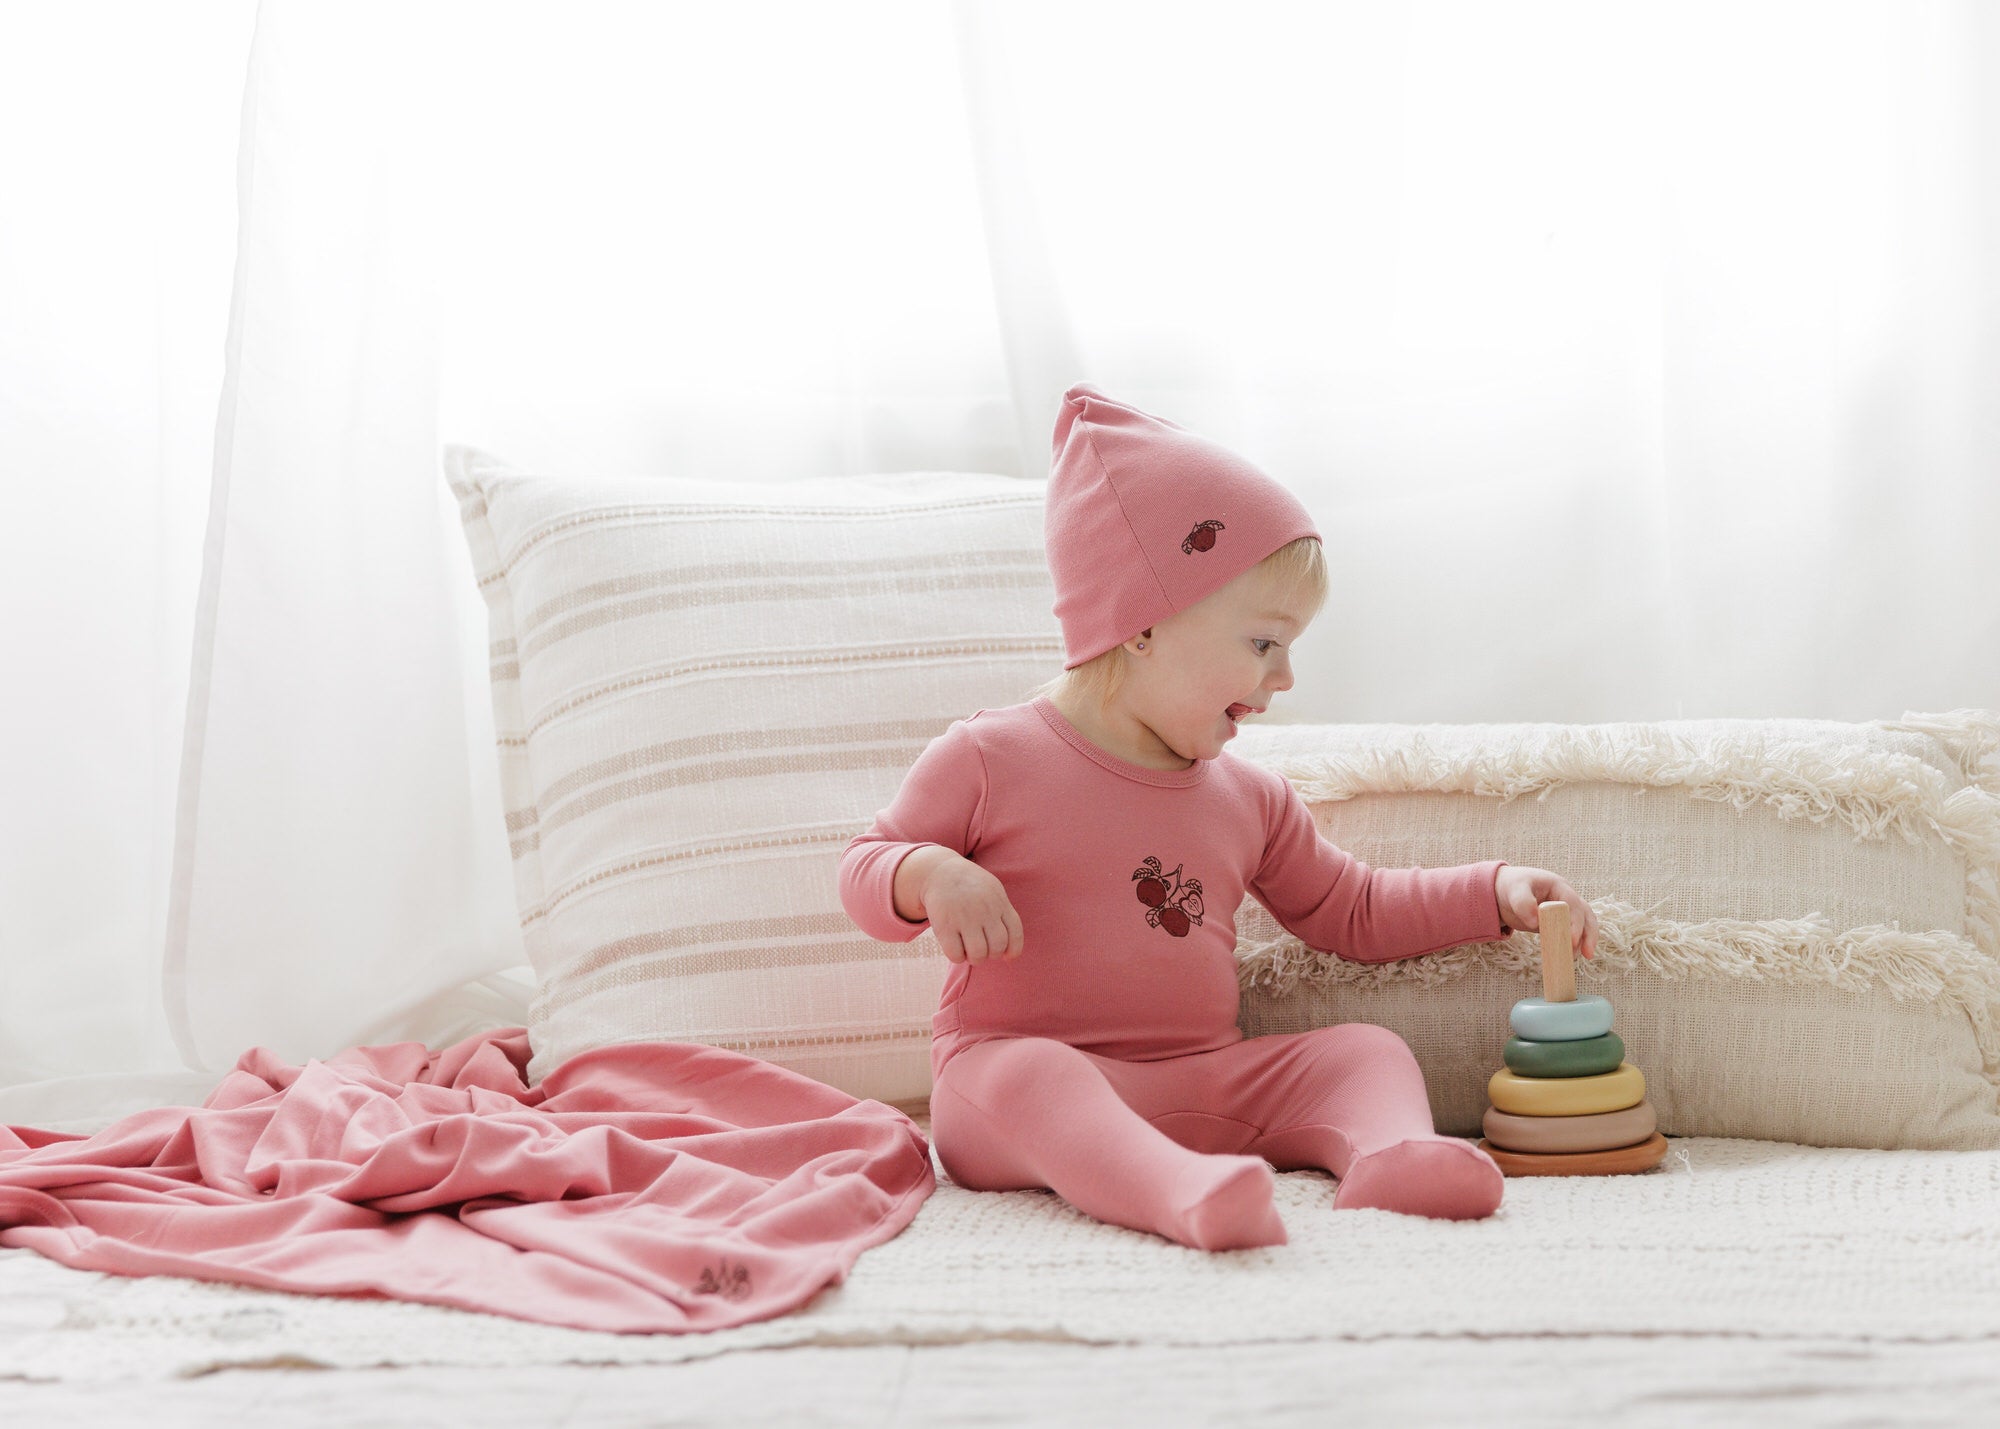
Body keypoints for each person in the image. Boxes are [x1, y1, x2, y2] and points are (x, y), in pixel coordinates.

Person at [837, 382, 1600, 1251]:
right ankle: (1175, 1191)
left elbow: (1352, 908)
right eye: (1264, 642)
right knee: (1034, 1074)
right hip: (1013, 1085)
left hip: (1201, 1081)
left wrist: (1491, 890)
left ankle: (1392, 1156)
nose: (1284, 678)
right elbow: (865, 864)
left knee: (1364, 1050)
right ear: (1142, 625)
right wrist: (929, 873)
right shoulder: (990, 757)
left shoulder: (1249, 797)